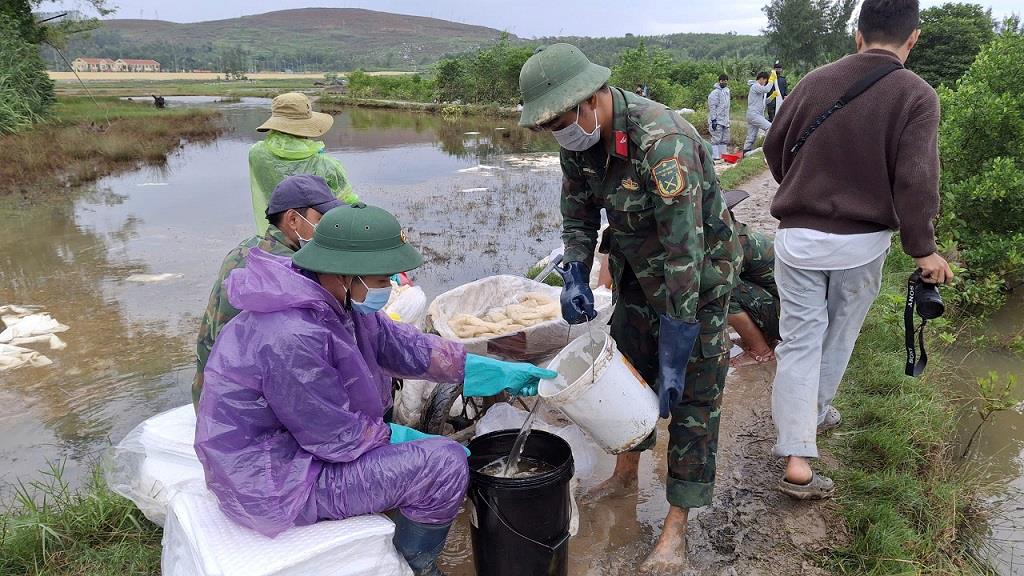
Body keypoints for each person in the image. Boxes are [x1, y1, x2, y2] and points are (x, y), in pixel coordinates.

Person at [195, 203, 557, 576]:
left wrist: (487, 369)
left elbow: (409, 347)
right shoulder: (292, 336)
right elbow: (337, 438)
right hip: (273, 475)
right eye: (383, 280)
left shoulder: (335, 304)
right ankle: (417, 565)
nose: (391, 287)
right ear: (343, 274)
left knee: (432, 452)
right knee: (444, 465)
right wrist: (405, 438)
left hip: (301, 448)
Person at [518, 43, 740, 572]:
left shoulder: (663, 144)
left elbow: (684, 253)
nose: (559, 133)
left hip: (697, 285)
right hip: (638, 275)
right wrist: (574, 270)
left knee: (691, 397)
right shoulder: (579, 138)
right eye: (548, 126)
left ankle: (676, 526)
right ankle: (624, 475)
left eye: (561, 121)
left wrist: (678, 340)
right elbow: (579, 215)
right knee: (628, 372)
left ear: (593, 99)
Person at [764, 0, 953, 500]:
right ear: (913, 38)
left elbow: (774, 146)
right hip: (861, 245)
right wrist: (924, 250)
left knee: (799, 342)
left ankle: (797, 456)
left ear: (857, 33)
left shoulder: (813, 81)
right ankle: (815, 419)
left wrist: (804, 194)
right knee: (837, 338)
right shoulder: (916, 95)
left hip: (797, 239)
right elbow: (916, 181)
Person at [192, 174, 342, 408]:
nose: (331, 228)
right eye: (322, 219)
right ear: (293, 219)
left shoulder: (246, 249)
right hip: (238, 410)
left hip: (210, 394)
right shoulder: (288, 271)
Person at [249, 92, 359, 235]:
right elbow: (349, 208)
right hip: (315, 237)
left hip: (276, 231)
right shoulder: (326, 165)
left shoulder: (256, 154)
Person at [723, 190, 779, 366]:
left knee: (723, 291)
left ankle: (760, 351)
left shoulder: (732, 244)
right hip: (800, 313)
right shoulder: (738, 232)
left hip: (794, 320)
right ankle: (765, 335)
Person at [743, 72, 773, 154]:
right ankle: (768, 148)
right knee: (769, 127)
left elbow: (763, 102)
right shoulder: (755, 86)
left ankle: (745, 153)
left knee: (751, 137)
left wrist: (772, 96)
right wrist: (771, 81)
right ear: (761, 78)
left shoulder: (758, 88)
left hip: (754, 114)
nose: (765, 83)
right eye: (765, 81)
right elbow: (766, 89)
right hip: (754, 114)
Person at [707, 74, 731, 162]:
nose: (724, 82)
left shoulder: (727, 91)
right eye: (722, 81)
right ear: (719, 81)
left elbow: (726, 107)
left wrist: (727, 120)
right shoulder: (714, 93)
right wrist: (713, 120)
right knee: (716, 138)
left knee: (725, 138)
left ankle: (723, 156)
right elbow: (712, 107)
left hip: (725, 120)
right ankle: (715, 157)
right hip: (717, 120)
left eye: (725, 81)